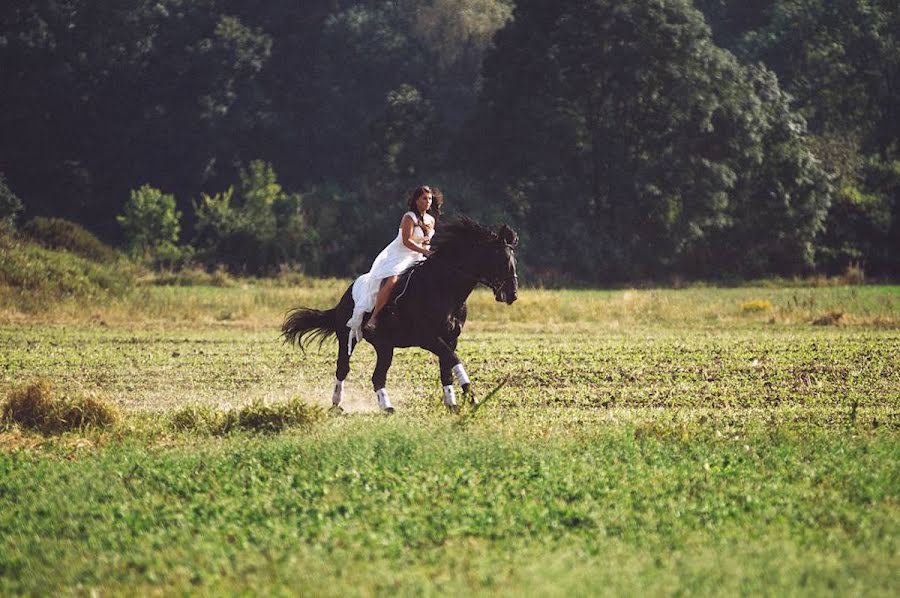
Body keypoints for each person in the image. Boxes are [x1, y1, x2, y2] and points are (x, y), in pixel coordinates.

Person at [345, 185, 443, 350]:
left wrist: (428, 249)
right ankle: (374, 318)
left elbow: (426, 240)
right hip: (401, 255)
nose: (427, 202)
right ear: (416, 200)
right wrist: (424, 251)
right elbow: (406, 241)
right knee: (392, 280)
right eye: (424, 199)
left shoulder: (431, 220)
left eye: (430, 199)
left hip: (420, 255)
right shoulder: (409, 217)